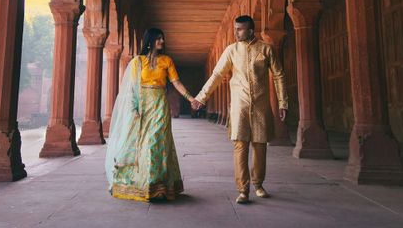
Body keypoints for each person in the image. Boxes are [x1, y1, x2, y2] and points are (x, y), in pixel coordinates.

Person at [191, 15, 287, 204]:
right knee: (240, 147)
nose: (236, 33)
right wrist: (201, 97)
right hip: (239, 107)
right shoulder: (231, 51)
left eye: (240, 29)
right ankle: (243, 189)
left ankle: (258, 184)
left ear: (251, 30)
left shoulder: (265, 49)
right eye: (235, 29)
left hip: (260, 107)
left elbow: (279, 75)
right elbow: (217, 75)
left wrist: (283, 102)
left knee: (260, 147)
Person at [105, 27, 195, 202]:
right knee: (143, 144)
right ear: (150, 41)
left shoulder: (167, 61)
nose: (162, 41)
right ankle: (144, 183)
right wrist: (133, 109)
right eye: (158, 39)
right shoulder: (137, 62)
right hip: (142, 106)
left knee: (157, 142)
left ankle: (157, 186)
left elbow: (176, 82)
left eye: (162, 38)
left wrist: (190, 98)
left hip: (160, 105)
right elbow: (131, 88)